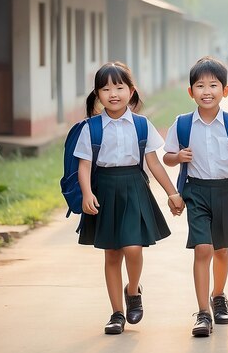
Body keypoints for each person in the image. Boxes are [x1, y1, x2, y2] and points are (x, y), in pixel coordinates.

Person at [74, 61, 185, 335]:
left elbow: (155, 164)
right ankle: (116, 313)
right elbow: (85, 165)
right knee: (112, 254)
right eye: (106, 88)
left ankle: (132, 290)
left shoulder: (141, 125)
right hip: (105, 191)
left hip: (134, 189)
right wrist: (87, 193)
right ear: (97, 94)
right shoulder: (91, 128)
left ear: (131, 91)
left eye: (119, 86)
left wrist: (172, 193)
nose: (113, 93)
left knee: (133, 248)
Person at [163, 57, 228, 337]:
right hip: (196, 191)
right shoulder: (183, 123)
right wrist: (178, 156)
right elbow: (167, 156)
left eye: (213, 85)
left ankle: (218, 295)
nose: (206, 91)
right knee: (203, 248)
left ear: (225, 90)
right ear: (191, 92)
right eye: (200, 85)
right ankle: (202, 313)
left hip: (225, 190)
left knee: (222, 249)